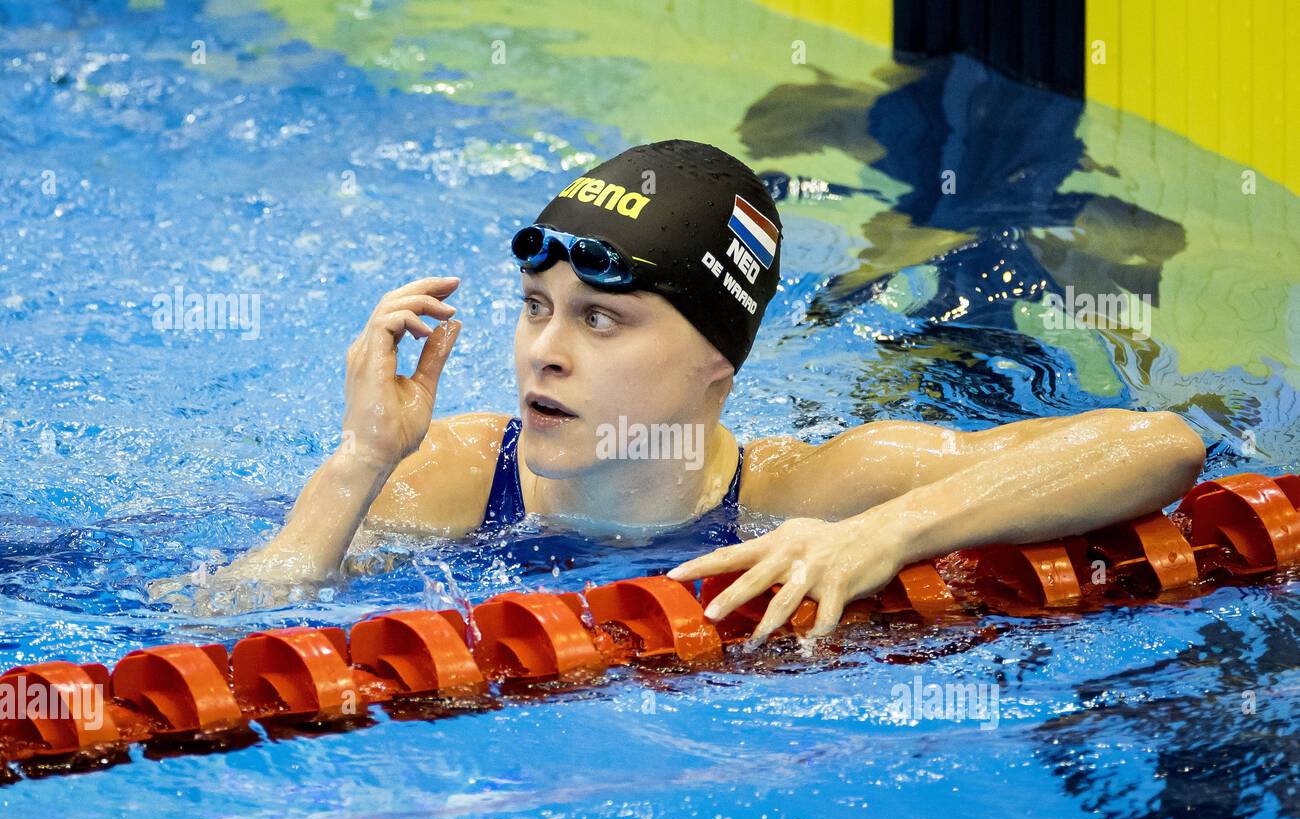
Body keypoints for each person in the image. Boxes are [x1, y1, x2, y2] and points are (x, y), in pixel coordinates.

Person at [154, 139, 1206, 640]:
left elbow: (1158, 445)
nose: (541, 354)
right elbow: (212, 628)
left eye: (600, 319)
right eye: (534, 307)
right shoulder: (453, 475)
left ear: (718, 362)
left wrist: (883, 534)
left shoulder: (810, 490)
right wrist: (358, 460)